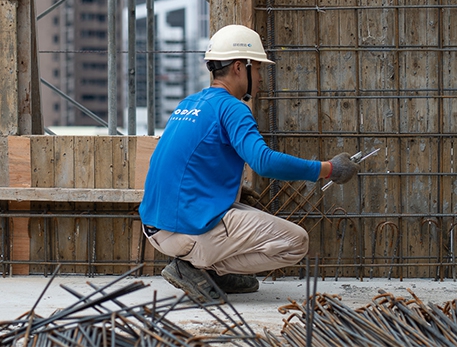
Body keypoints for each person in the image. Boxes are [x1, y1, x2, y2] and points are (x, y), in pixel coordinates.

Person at [138, 24, 358, 303]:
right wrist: (327, 169)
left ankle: (208, 269)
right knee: (296, 242)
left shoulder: (189, 104)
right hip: (185, 230)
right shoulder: (232, 108)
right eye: (258, 69)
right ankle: (198, 268)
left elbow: (191, 166)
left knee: (241, 200)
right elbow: (263, 162)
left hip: (156, 226)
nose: (262, 78)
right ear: (240, 67)